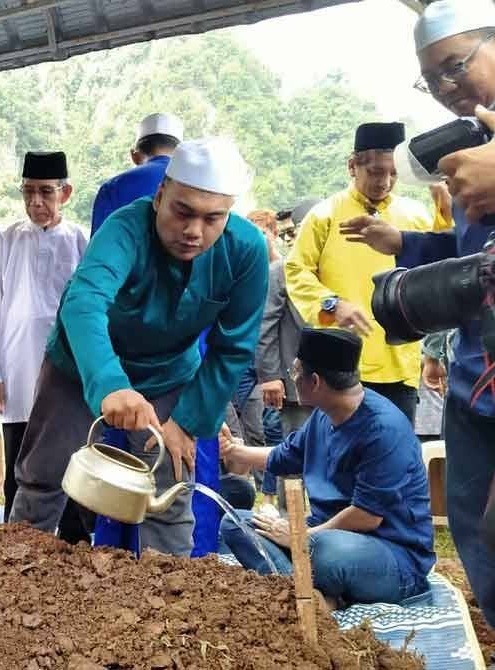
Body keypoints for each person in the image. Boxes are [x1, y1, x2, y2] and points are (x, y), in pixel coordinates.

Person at [9, 137, 268, 555]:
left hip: (168, 374)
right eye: (183, 212)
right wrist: (110, 383)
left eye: (212, 218)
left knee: (169, 490)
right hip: (81, 365)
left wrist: (186, 422)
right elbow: (84, 302)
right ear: (160, 195)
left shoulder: (246, 249)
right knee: (43, 476)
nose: (193, 231)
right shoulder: (125, 228)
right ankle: (12, 573)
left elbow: (233, 348)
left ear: (228, 214)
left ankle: (169, 587)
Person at [340, 0, 495, 631]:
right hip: (473, 380)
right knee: (474, 526)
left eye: (455, 66)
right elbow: (473, 255)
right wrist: (405, 244)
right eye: (430, 80)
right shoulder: (474, 146)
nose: (446, 88)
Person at [220, 328, 435, 607]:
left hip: (389, 554)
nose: (292, 377)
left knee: (326, 553)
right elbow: (284, 456)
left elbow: (367, 517)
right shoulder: (324, 415)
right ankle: (307, 593)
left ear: (315, 382)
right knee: (236, 522)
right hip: (322, 534)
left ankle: (307, 591)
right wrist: (233, 450)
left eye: (295, 371)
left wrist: (300, 536)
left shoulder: (384, 429)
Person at [286, 122, 435, 425]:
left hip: (399, 364)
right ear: (352, 166)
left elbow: (439, 270)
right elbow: (297, 271)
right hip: (337, 366)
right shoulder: (324, 215)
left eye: (393, 174)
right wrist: (332, 304)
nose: (385, 182)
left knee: (392, 448)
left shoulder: (416, 216)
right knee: (336, 450)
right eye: (376, 172)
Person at [0, 151, 88, 518]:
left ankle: (73, 541)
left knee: (73, 457)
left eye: (45, 192)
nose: (35, 202)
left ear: (65, 193)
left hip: (67, 365)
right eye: (28, 192)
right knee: (19, 458)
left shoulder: (80, 239)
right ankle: (16, 539)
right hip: (16, 365)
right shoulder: (5, 238)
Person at [256, 199, 318, 508]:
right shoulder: (280, 271)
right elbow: (265, 324)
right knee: (295, 455)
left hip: (339, 381)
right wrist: (270, 376)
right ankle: (289, 519)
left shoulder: (336, 268)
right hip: (296, 385)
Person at [91, 113, 184, 235]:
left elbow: (99, 243)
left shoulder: (112, 187)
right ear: (181, 154)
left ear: (134, 156)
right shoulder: (196, 185)